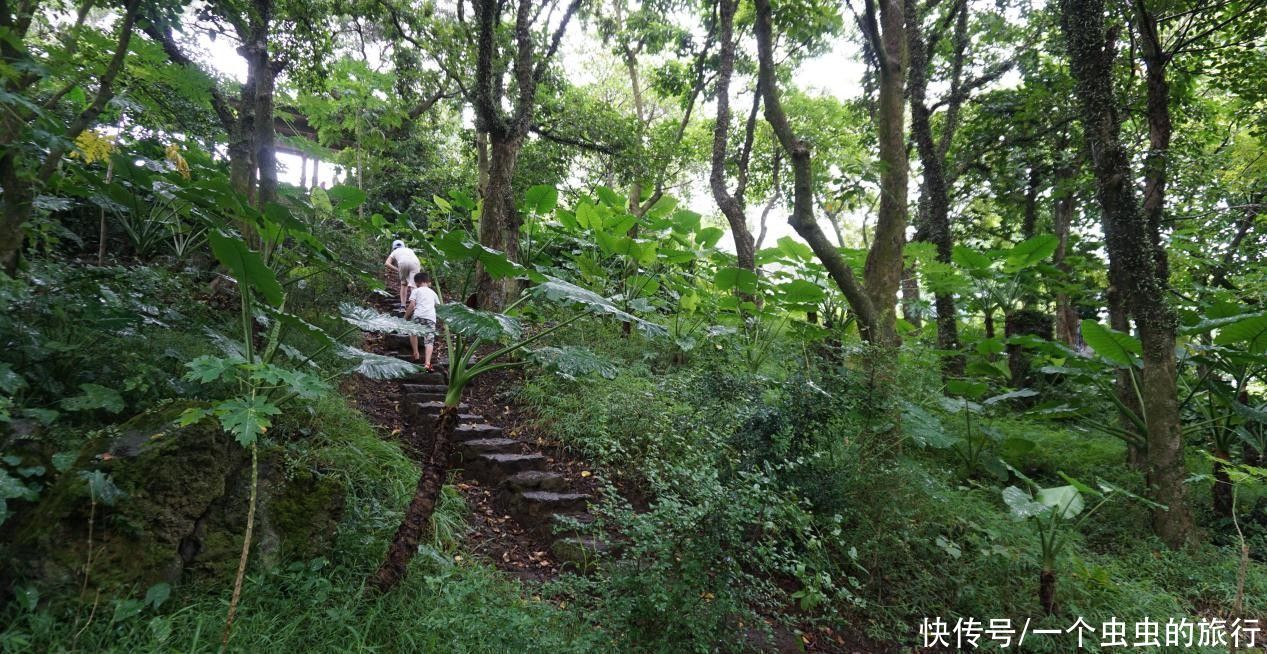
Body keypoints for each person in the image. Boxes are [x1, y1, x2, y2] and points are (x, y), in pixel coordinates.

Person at [405, 271, 441, 370]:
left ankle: (416, 354)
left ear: (417, 282)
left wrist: (405, 317)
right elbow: (438, 306)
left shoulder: (416, 291)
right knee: (429, 340)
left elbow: (412, 305)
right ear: (427, 281)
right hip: (430, 317)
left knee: (413, 333)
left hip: (418, 315)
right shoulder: (433, 293)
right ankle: (427, 363)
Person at [384, 240, 420, 307]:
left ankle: (403, 306)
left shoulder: (394, 251)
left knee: (404, 284)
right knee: (413, 285)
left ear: (393, 247)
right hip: (415, 263)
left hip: (402, 263)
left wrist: (397, 269)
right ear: (403, 246)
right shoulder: (409, 250)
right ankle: (415, 305)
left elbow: (387, 263)